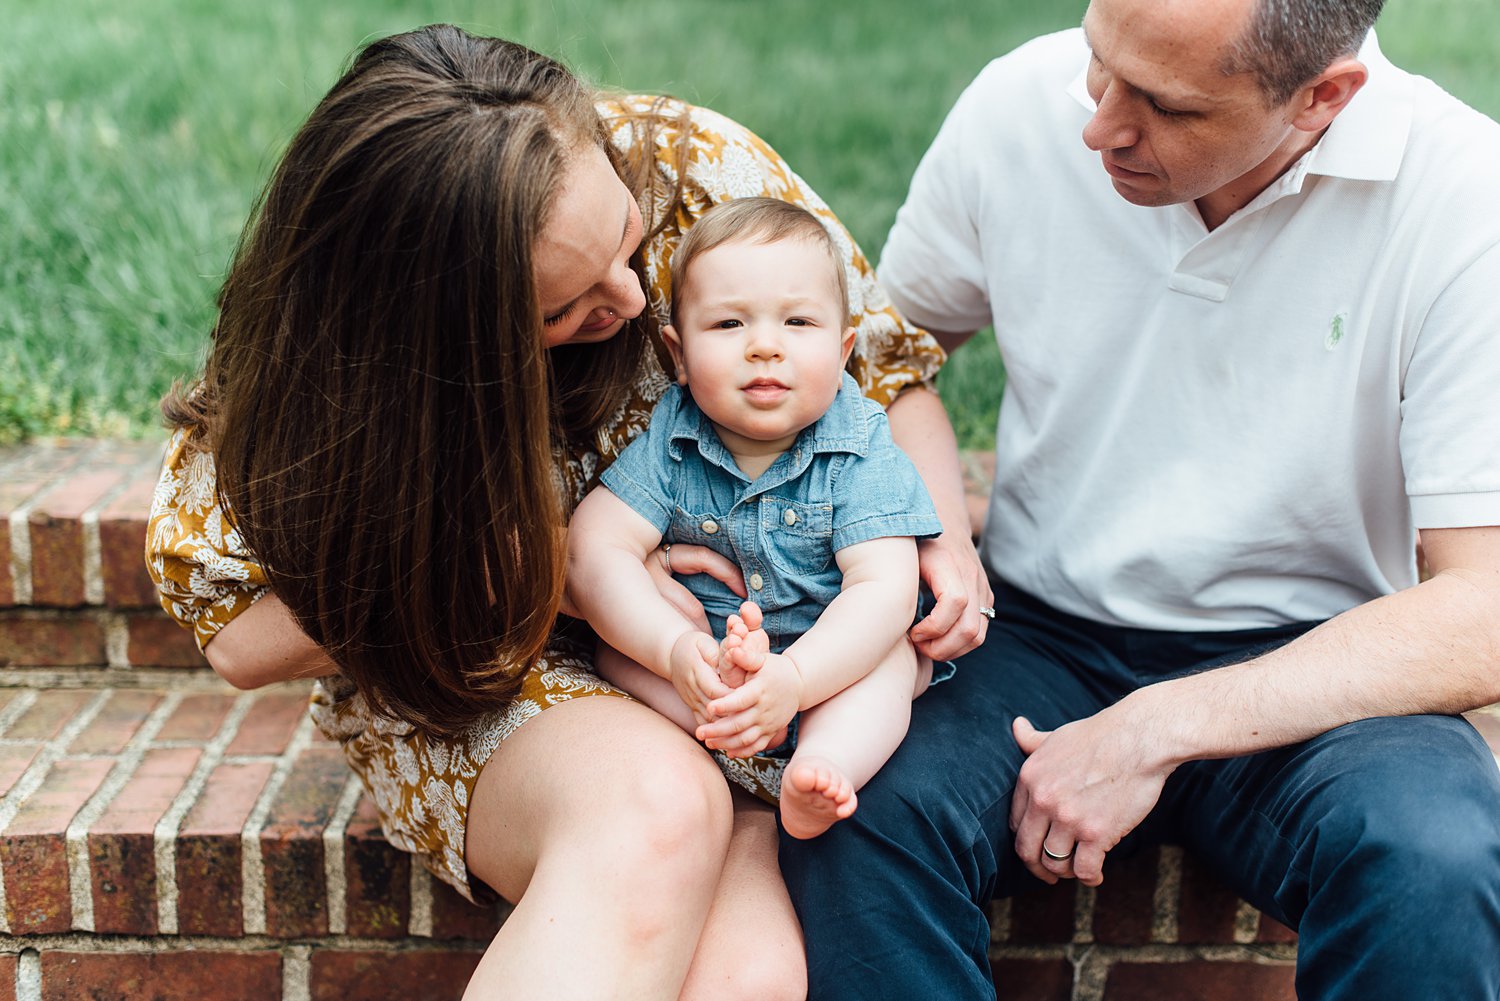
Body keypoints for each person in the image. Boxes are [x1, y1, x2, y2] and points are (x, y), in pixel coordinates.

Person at [144, 24, 990, 1001]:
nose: (633, 302)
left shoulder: (690, 166)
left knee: (748, 974)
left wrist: (948, 547)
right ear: (432, 332)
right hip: (492, 671)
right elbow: (240, 638)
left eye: (629, 241)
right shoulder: (331, 360)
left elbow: (882, 373)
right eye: (563, 307)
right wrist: (556, 571)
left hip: (747, 662)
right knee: (657, 805)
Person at [778, 0, 1500, 997]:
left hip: (1321, 666)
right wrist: (921, 532)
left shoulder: (1466, 197)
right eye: (1097, 63)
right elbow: (872, 374)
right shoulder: (1016, 108)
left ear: (1321, 97)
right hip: (1030, 634)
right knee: (850, 811)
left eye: (1164, 104)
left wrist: (1154, 726)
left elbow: (1485, 610)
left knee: (1437, 857)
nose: (1098, 124)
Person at [568, 197, 945, 840]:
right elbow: (593, 548)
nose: (766, 347)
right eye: (729, 325)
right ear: (679, 354)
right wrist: (674, 648)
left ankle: (823, 767)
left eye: (798, 322)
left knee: (894, 661)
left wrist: (794, 681)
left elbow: (884, 589)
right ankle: (722, 730)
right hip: (709, 665)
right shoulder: (672, 440)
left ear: (844, 348)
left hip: (831, 667)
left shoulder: (859, 448)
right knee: (615, 652)